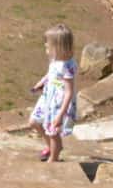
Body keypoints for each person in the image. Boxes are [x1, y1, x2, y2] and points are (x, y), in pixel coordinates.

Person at [28, 23, 78, 163]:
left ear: (58, 47)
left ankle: (53, 159)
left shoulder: (68, 66)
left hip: (58, 103)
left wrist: (60, 115)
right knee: (34, 122)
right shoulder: (55, 59)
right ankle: (53, 146)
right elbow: (51, 73)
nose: (46, 47)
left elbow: (69, 92)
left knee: (53, 131)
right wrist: (41, 82)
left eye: (48, 45)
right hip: (48, 97)